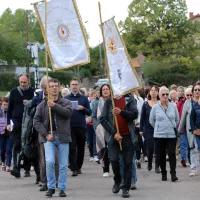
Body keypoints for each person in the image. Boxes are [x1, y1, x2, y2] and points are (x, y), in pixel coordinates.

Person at [33, 78, 72, 197]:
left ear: (59, 88)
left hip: (63, 136)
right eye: (52, 86)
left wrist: (54, 106)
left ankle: (61, 188)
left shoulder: (66, 102)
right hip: (49, 137)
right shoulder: (42, 105)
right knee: (49, 162)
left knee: (63, 164)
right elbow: (36, 121)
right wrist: (46, 134)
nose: (54, 88)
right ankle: (50, 186)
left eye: (56, 86)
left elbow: (68, 113)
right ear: (47, 89)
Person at [100, 94, 138, 198]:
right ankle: (117, 180)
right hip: (113, 137)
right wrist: (114, 133)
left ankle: (126, 188)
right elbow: (103, 119)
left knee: (127, 163)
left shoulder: (130, 100)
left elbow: (134, 114)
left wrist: (121, 112)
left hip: (128, 137)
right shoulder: (109, 101)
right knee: (114, 160)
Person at [149, 86, 179, 182]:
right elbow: (151, 121)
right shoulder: (155, 107)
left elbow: (177, 119)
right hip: (159, 135)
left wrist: (172, 126)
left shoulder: (173, 106)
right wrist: (158, 127)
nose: (165, 96)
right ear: (159, 95)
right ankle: (164, 173)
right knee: (161, 155)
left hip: (171, 135)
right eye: (163, 94)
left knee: (171, 154)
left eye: (167, 94)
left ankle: (173, 173)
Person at [7, 74, 34, 178]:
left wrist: (30, 102)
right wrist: (8, 123)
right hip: (16, 122)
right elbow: (9, 109)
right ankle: (16, 167)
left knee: (27, 145)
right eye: (21, 82)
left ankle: (27, 168)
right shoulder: (14, 92)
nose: (23, 84)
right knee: (17, 144)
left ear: (28, 82)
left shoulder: (32, 92)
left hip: (28, 122)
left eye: (25, 82)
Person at [65, 79, 92, 176]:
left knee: (81, 148)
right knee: (72, 148)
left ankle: (79, 166)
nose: (74, 86)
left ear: (79, 86)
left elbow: (90, 112)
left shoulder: (84, 98)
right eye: (72, 84)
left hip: (81, 125)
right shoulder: (66, 98)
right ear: (70, 86)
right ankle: (73, 168)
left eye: (76, 84)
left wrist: (83, 108)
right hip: (70, 126)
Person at [178, 84, 200, 176]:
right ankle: (193, 168)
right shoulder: (187, 102)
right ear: (192, 91)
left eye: (199, 89)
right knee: (193, 148)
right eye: (195, 89)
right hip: (191, 130)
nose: (197, 91)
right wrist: (179, 131)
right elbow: (183, 118)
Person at [140, 85, 160, 173]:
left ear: (158, 92)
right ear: (149, 92)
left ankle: (157, 166)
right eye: (152, 90)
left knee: (158, 148)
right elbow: (142, 118)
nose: (153, 92)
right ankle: (150, 163)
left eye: (155, 90)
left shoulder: (161, 103)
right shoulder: (145, 104)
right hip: (148, 129)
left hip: (159, 128)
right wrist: (141, 129)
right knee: (150, 147)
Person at [92, 84, 111, 177]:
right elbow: (93, 116)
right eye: (103, 89)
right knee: (104, 149)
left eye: (107, 89)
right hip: (101, 129)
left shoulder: (113, 101)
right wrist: (97, 125)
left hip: (112, 129)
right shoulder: (96, 103)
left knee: (112, 148)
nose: (105, 91)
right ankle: (105, 169)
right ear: (101, 91)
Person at [177, 88, 192, 167]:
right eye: (187, 95)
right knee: (183, 143)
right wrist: (178, 127)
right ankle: (184, 159)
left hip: (191, 127)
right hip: (182, 126)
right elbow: (178, 114)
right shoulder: (181, 103)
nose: (189, 96)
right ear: (185, 95)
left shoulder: (194, 103)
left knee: (190, 144)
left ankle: (189, 159)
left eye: (190, 95)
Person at [0, 97, 13, 172]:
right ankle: (3, 162)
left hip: (9, 133)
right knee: (2, 150)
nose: (5, 106)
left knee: (9, 149)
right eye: (4, 104)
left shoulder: (11, 111)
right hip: (1, 133)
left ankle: (8, 165)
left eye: (7, 105)